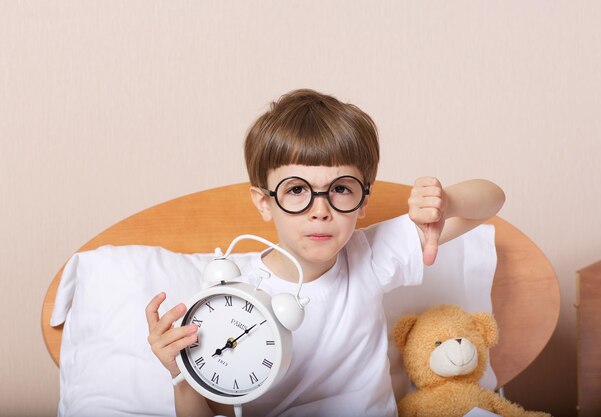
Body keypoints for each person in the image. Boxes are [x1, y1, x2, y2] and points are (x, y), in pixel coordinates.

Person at [145, 89, 505, 417]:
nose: (321, 210)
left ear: (363, 201)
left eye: (341, 189)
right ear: (264, 202)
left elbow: (491, 199)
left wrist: (446, 203)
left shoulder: (371, 256)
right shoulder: (229, 298)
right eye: (297, 189)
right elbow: (215, 407)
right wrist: (181, 373)